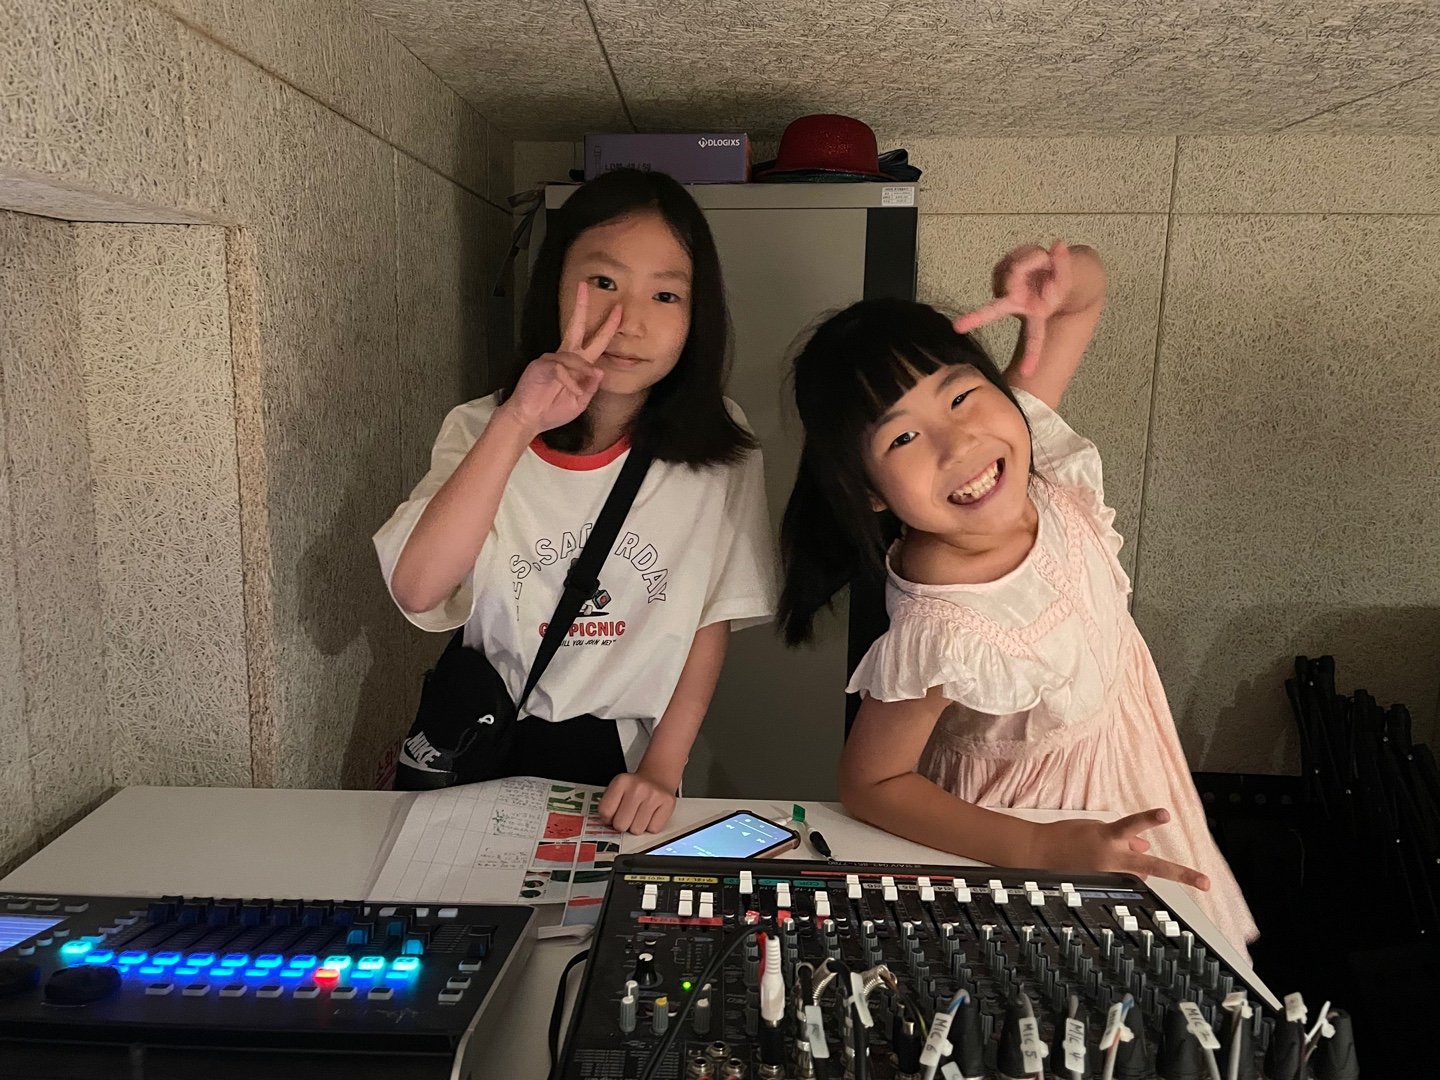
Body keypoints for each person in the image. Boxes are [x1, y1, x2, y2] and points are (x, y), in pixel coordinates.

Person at [778, 242, 1257, 950]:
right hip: (1024, 838)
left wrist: (1058, 281)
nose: (958, 443)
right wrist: (1039, 848)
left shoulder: (1032, 457)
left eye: (960, 395)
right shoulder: (945, 625)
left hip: (1127, 780)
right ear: (870, 492)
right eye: (904, 437)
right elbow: (872, 783)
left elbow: (1082, 300)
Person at [375, 169, 776, 835]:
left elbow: (711, 616)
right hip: (485, 735)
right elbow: (419, 589)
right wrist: (518, 421)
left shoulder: (720, 446)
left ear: (696, 315)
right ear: (554, 286)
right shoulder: (481, 427)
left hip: (627, 760)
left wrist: (664, 765)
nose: (630, 322)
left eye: (666, 294)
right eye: (604, 282)